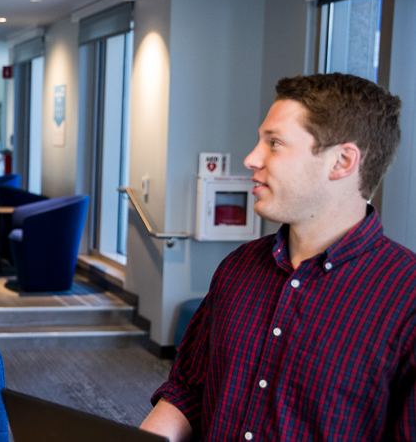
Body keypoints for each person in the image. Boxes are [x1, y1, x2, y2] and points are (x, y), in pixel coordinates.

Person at [141, 73, 416, 441]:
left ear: (342, 161)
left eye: (274, 143)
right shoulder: (238, 268)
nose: (252, 158)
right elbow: (189, 391)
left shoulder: (407, 298)